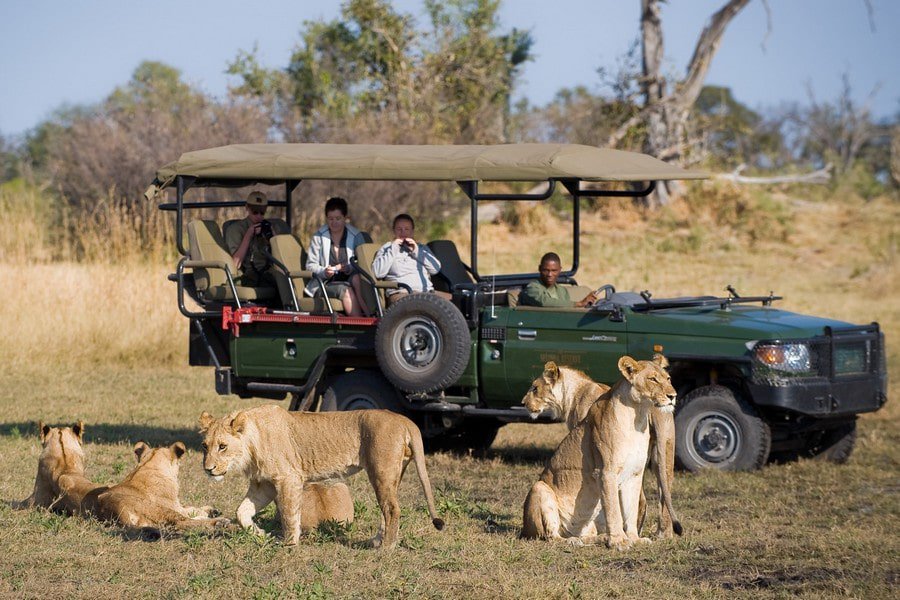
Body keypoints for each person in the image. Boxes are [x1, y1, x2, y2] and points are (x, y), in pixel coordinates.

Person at [305, 196, 368, 316]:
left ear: (345, 218)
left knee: (357, 279)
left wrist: (350, 268)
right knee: (346, 290)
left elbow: (364, 263)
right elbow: (310, 265)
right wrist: (324, 271)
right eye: (330, 219)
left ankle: (372, 317)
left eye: (338, 218)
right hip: (324, 284)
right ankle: (358, 325)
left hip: (350, 279)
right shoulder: (318, 236)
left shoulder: (356, 236)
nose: (334, 222)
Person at [372, 213, 446, 306]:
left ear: (412, 232)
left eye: (407, 229)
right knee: (427, 304)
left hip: (426, 293)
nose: (403, 232)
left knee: (460, 300)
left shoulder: (421, 248)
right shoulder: (387, 248)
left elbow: (435, 269)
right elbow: (378, 273)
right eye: (399, 229)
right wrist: (393, 250)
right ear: (394, 231)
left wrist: (416, 251)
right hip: (402, 293)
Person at [224, 190, 277, 287]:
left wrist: (273, 238)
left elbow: (279, 259)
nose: (259, 216)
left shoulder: (267, 227)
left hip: (270, 272)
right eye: (255, 212)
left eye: (262, 212)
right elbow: (235, 264)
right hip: (250, 274)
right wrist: (248, 235)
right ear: (247, 208)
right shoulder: (236, 229)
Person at [519, 252, 597, 308]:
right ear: (539, 269)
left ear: (560, 270)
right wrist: (578, 304)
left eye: (554, 271)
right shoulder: (532, 288)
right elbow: (543, 302)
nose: (549, 274)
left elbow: (566, 311)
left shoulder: (561, 291)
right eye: (546, 270)